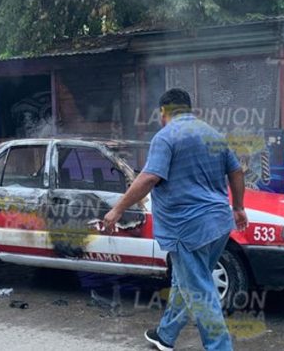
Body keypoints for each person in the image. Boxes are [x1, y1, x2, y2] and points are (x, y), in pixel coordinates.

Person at [102, 88, 247, 351]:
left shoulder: (165, 137)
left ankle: (220, 346)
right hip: (218, 226)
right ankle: (165, 335)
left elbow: (148, 178)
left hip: (187, 230)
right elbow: (236, 171)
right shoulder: (213, 134)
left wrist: (118, 209)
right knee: (186, 282)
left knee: (200, 292)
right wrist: (238, 207)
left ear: (163, 112)